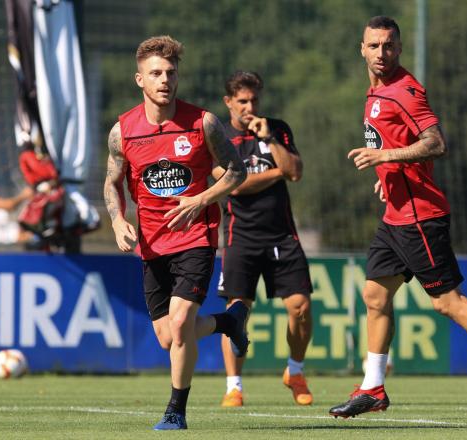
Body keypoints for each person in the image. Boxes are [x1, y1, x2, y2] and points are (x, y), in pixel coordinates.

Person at [329, 16, 467, 422]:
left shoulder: (405, 92)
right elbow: (396, 145)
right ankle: (372, 387)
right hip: (395, 215)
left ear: (400, 48)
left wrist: (385, 158)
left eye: (389, 46)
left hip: (420, 217)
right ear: (361, 48)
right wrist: (388, 177)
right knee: (375, 296)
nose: (382, 53)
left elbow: (435, 143)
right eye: (374, 46)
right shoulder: (374, 92)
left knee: (447, 303)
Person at [103, 35, 249, 430]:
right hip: (151, 244)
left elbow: (238, 172)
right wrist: (117, 219)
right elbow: (112, 181)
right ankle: (227, 322)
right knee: (169, 337)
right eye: (155, 73)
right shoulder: (122, 131)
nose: (164, 80)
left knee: (182, 322)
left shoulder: (204, 123)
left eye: (170, 72)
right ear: (140, 80)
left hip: (196, 237)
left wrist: (202, 199)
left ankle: (175, 412)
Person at [213, 71, 314, 408]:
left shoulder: (278, 129)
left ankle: (295, 372)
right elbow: (235, 185)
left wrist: (270, 140)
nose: (249, 106)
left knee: (300, 308)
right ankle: (234, 386)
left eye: (254, 99)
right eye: (242, 100)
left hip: (282, 235)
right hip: (240, 236)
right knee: (237, 311)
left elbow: (296, 172)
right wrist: (276, 173)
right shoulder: (218, 136)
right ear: (229, 102)